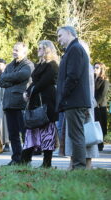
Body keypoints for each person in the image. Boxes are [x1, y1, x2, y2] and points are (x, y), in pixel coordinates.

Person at [56, 26, 91, 169]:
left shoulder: (75, 49)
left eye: (60, 36)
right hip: (73, 100)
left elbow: (73, 76)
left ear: (69, 33)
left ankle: (79, 167)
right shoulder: (72, 49)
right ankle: (78, 166)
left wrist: (64, 94)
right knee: (75, 135)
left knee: (76, 135)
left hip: (74, 100)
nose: (58, 40)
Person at [21, 40, 59, 168]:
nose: (38, 50)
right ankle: (25, 159)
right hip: (35, 100)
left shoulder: (52, 65)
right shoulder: (39, 64)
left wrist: (31, 91)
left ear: (47, 50)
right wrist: (26, 92)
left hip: (47, 100)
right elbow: (34, 82)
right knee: (31, 129)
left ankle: (47, 163)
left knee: (47, 131)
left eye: (41, 48)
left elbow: (44, 82)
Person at [0, 42, 34, 165]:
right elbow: (1, 81)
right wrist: (13, 80)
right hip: (9, 104)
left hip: (21, 103)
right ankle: (16, 158)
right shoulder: (9, 65)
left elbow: (23, 75)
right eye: (13, 49)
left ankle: (26, 159)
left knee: (25, 133)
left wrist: (7, 77)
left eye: (17, 50)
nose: (14, 51)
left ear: (24, 52)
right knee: (13, 134)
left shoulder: (28, 65)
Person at [0, 58, 10, 152]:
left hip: (5, 101)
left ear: (4, 65)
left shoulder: (7, 74)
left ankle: (7, 143)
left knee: (5, 124)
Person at [94, 62, 109, 151]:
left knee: (100, 125)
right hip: (92, 106)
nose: (95, 69)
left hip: (100, 107)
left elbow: (101, 95)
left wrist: (94, 104)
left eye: (97, 67)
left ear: (101, 69)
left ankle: (100, 144)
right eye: (94, 67)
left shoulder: (104, 81)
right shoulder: (91, 79)